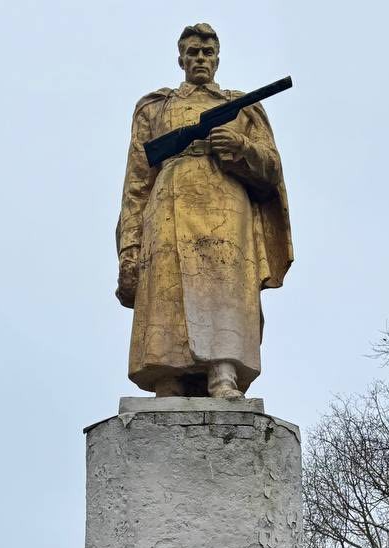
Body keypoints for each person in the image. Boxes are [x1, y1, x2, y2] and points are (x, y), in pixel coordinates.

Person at [116, 23, 292, 399]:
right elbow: (136, 181)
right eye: (193, 52)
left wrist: (241, 146)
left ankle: (223, 372)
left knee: (225, 285)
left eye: (207, 52)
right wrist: (129, 248)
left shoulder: (242, 106)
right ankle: (167, 377)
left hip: (225, 204)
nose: (200, 59)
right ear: (180, 58)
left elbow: (272, 168)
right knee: (167, 283)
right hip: (169, 199)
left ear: (217, 59)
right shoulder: (156, 106)